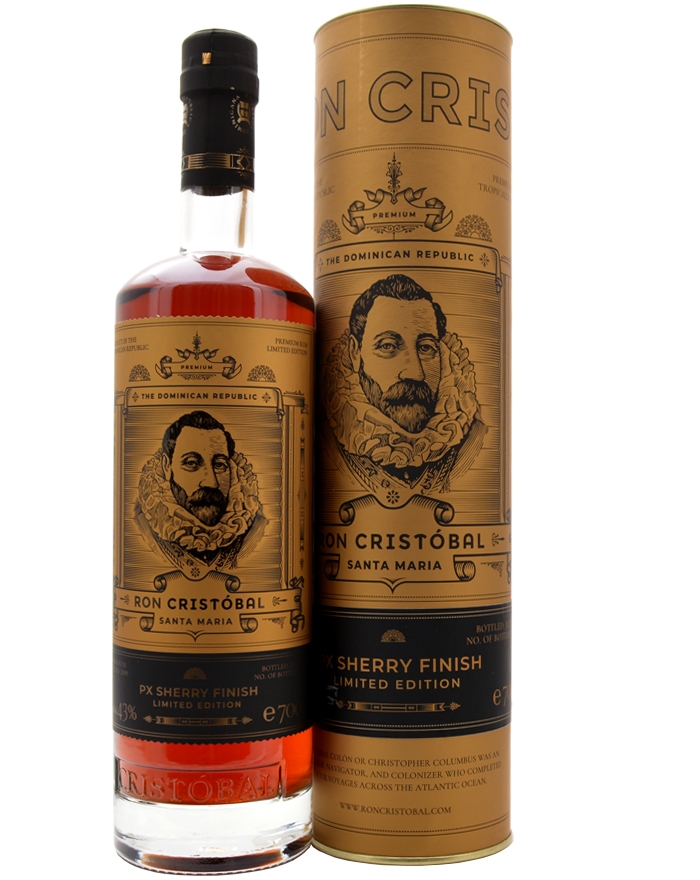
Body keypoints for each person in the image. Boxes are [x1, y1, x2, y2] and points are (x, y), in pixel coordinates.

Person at [323, 274, 486, 495]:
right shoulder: (322, 440)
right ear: (355, 352)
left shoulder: (476, 436)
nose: (415, 374)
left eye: (426, 348)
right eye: (388, 346)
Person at [135, 410, 264, 577]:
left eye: (219, 465)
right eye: (191, 463)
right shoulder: (139, 526)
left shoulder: (258, 529)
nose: (211, 482)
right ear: (167, 467)